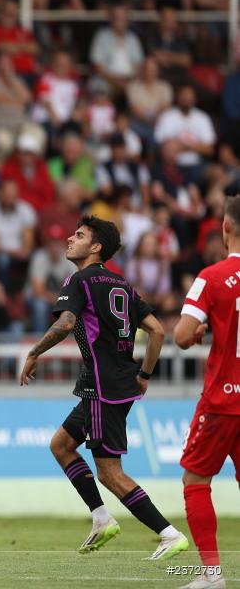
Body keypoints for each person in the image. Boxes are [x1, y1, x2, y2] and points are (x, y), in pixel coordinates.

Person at [20, 216, 189, 560]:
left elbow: (66, 323)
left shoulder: (79, 280)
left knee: (110, 473)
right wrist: (145, 375)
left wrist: (34, 352)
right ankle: (101, 518)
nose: (70, 238)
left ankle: (169, 534)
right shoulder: (121, 284)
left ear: (95, 247)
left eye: (79, 235)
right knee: (62, 445)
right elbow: (157, 330)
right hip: (116, 382)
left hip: (101, 385)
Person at [172, 196, 240, 589]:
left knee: (196, 480)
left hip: (221, 400)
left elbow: (181, 336)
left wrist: (198, 332)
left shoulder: (211, 277)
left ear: (225, 228)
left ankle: (212, 575)